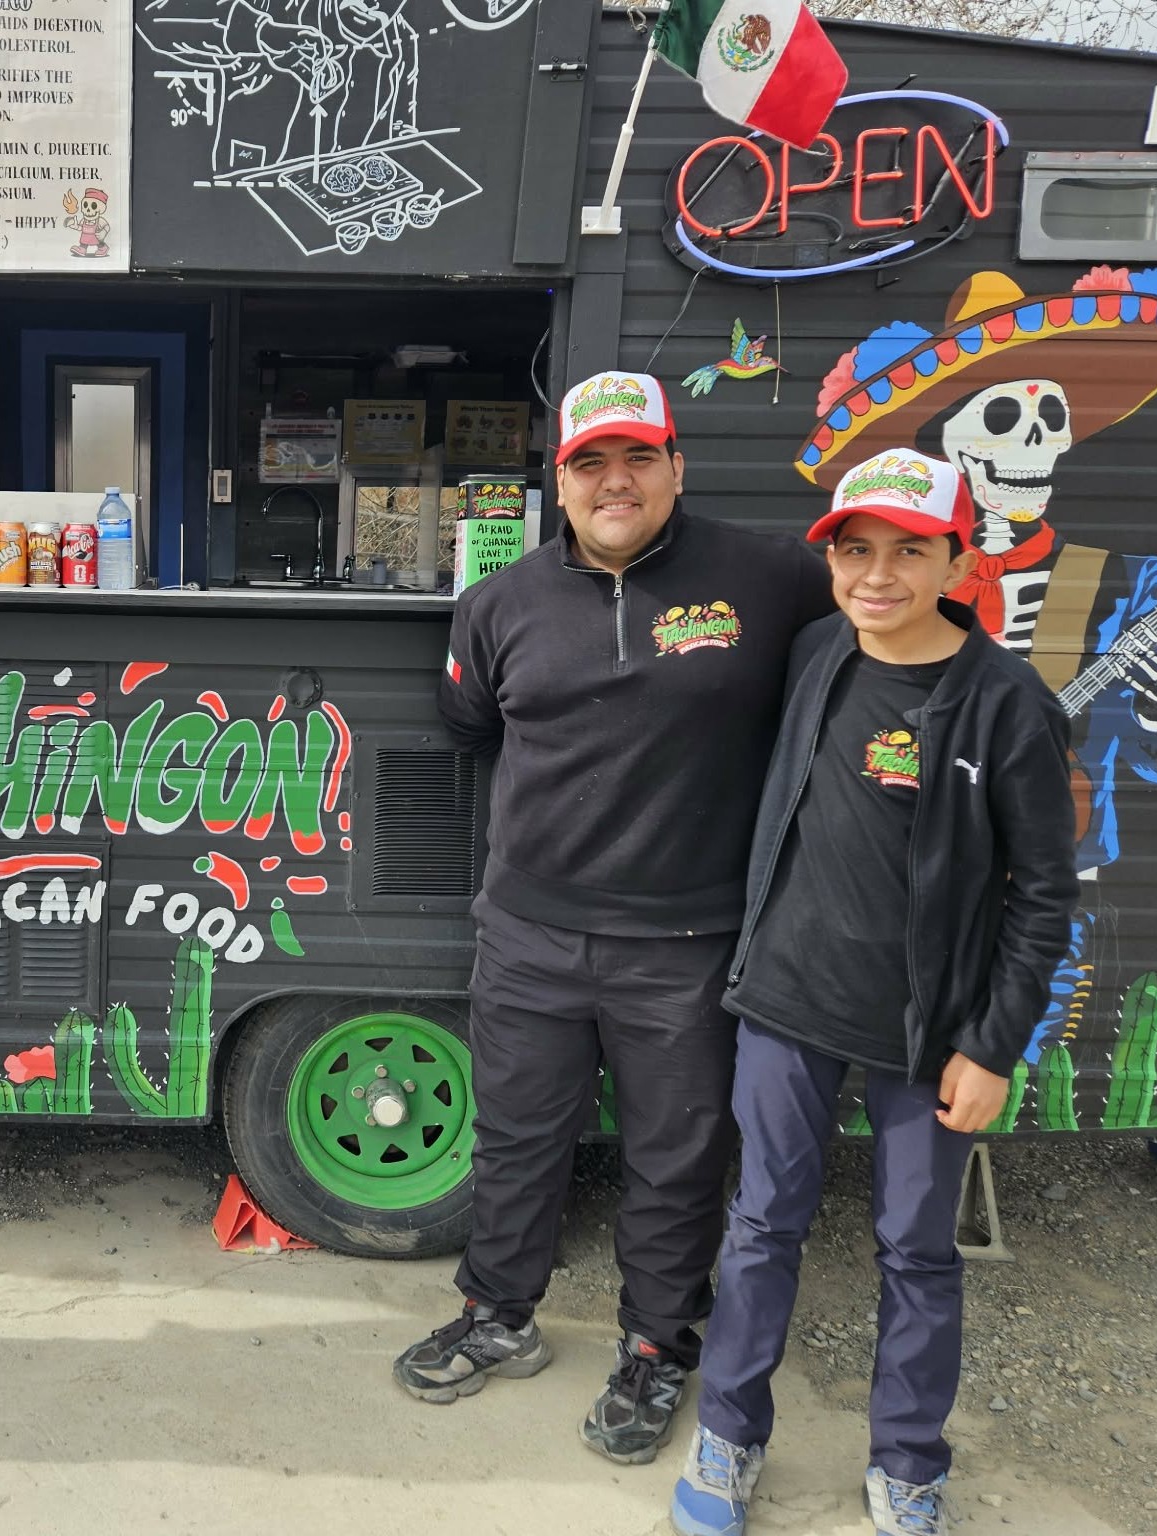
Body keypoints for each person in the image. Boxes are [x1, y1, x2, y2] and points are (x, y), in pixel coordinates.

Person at [398, 371, 835, 1465]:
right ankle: (499, 1315)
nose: (616, 480)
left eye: (639, 457)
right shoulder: (498, 604)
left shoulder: (773, 578)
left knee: (677, 1158)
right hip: (530, 934)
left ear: (677, 466)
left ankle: (655, 1349)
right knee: (517, 1142)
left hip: (688, 944)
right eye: (591, 462)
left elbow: (888, 638)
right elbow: (468, 726)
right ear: (560, 481)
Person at [669, 448, 1078, 1536]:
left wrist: (993, 1045)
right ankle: (729, 1440)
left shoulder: (1007, 706)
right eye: (858, 550)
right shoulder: (815, 655)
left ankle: (907, 1461)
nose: (879, 574)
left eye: (910, 550)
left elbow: (1043, 893)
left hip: (928, 1036)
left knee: (918, 1251)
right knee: (759, 1226)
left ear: (957, 560)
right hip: (788, 1007)